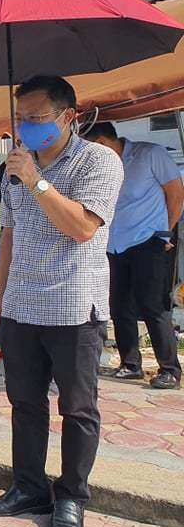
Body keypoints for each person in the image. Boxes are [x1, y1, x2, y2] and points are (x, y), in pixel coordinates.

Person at [0, 76, 123, 527]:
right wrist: (0, 295)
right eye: (22, 119)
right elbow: (9, 232)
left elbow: (81, 227)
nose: (27, 129)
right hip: (21, 305)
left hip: (74, 306)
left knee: (78, 408)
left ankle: (71, 497)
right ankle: (27, 487)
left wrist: (36, 180)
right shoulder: (15, 165)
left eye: (38, 118)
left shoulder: (98, 161)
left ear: (69, 116)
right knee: (24, 403)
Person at [82, 121, 184, 390]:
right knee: (118, 305)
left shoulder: (150, 154)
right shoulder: (100, 168)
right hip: (114, 244)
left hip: (148, 241)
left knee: (152, 305)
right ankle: (130, 364)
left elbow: (175, 194)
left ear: (103, 143)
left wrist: (166, 233)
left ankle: (170, 369)